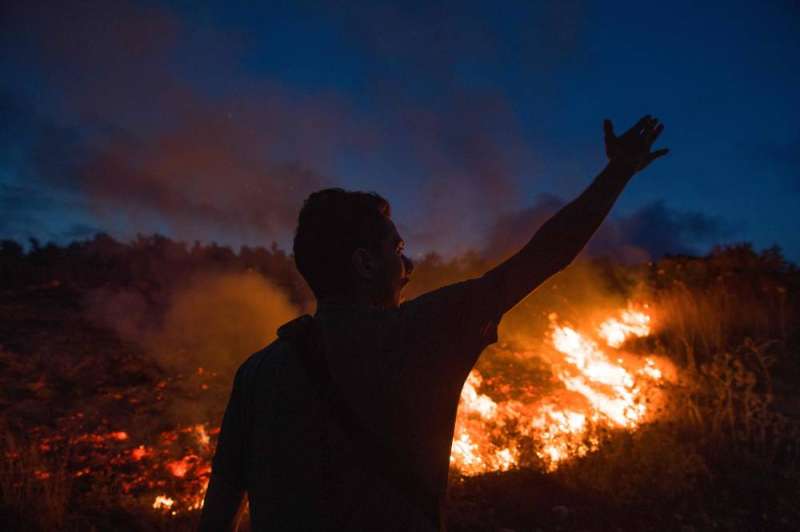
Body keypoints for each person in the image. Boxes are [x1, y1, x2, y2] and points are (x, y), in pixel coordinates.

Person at [199, 116, 668, 531]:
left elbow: (221, 506)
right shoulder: (422, 332)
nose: (410, 267)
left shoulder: (257, 374)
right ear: (364, 263)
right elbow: (547, 253)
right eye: (398, 251)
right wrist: (619, 170)